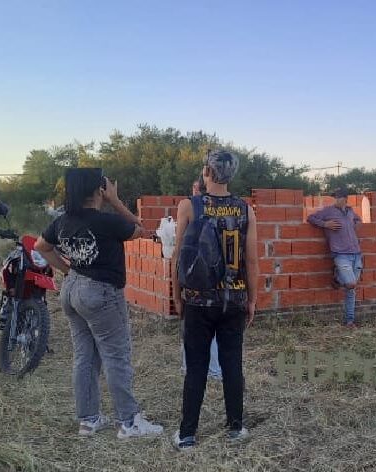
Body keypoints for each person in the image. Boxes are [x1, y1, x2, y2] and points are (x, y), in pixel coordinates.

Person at [35, 168, 163, 439]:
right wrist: (116, 201)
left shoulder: (63, 221)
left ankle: (88, 420)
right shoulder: (107, 221)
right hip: (101, 293)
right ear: (98, 190)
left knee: (84, 356)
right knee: (116, 356)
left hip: (72, 290)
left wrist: (68, 270)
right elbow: (141, 229)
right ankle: (129, 422)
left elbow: (40, 246)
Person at [171, 150, 259, 450]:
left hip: (198, 301)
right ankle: (236, 428)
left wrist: (177, 295)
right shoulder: (245, 210)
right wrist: (252, 299)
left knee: (196, 367)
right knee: (232, 364)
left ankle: (187, 435)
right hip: (233, 300)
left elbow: (178, 256)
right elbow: (251, 260)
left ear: (207, 172)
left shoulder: (190, 206)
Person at [180, 179, 222, 381]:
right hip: (209, 277)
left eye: (197, 188)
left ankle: (207, 369)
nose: (194, 191)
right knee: (201, 328)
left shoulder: (192, 208)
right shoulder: (224, 208)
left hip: (202, 277)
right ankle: (200, 368)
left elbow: (181, 249)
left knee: (199, 328)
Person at [307, 187, 363, 328]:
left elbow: (358, 219)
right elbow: (311, 218)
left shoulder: (350, 211)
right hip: (340, 253)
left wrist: (355, 224)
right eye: (335, 197)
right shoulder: (328, 211)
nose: (336, 200)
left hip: (356, 253)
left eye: (338, 197)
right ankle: (337, 277)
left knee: (351, 289)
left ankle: (349, 321)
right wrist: (325, 224)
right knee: (350, 283)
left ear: (345, 199)